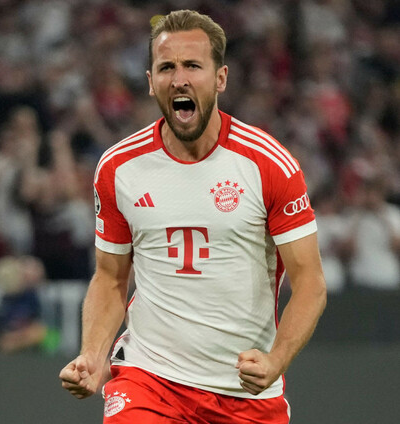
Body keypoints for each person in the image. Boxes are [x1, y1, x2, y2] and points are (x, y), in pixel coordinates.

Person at [59, 10, 327, 424]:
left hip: (244, 394)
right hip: (149, 381)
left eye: (192, 66)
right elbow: (110, 278)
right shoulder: (119, 168)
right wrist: (92, 356)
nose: (179, 79)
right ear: (151, 82)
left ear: (220, 78)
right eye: (166, 67)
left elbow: (310, 283)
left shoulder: (268, 164)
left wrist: (276, 360)